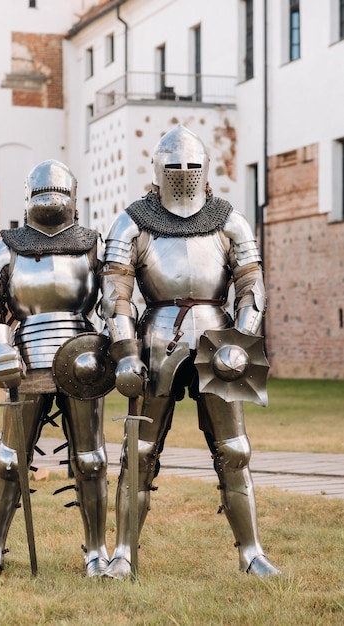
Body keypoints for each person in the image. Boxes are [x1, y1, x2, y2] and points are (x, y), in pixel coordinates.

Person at [100, 125, 280, 580]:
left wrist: (243, 336)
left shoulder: (228, 220)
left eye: (191, 166)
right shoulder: (133, 220)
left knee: (235, 451)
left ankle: (252, 552)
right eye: (174, 166)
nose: (183, 174)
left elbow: (251, 284)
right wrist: (125, 349)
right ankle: (122, 552)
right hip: (156, 340)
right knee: (138, 452)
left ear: (206, 170)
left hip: (220, 341)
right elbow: (116, 290)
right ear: (157, 171)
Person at [0, 159, 110, 578]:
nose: (52, 199)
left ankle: (97, 551)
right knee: (9, 459)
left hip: (85, 358)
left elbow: (115, 300)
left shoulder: (94, 246)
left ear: (75, 199)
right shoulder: (3, 248)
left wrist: (112, 340)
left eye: (60, 191)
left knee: (92, 460)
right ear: (27, 197)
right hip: (26, 356)